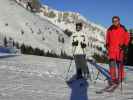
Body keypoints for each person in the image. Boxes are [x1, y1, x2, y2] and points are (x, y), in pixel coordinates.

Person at [105, 16, 130, 91]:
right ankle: (113, 79)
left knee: (120, 65)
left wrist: (125, 45)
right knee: (112, 65)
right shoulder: (109, 29)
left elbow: (127, 37)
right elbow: (107, 38)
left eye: (116, 21)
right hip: (112, 50)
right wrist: (107, 44)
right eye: (113, 21)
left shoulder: (123, 28)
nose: (115, 22)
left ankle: (121, 78)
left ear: (119, 21)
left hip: (120, 50)